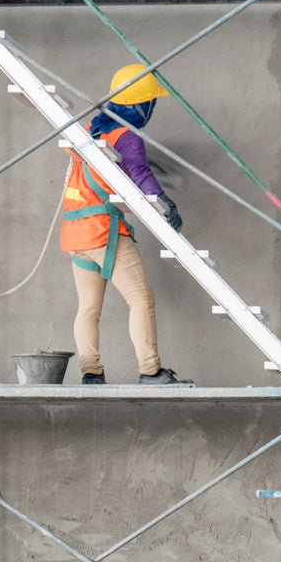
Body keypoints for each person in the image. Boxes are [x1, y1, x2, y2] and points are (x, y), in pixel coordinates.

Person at [60, 63, 190, 386]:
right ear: (140, 105)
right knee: (141, 299)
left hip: (76, 233)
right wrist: (166, 206)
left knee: (88, 308)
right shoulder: (126, 136)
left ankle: (90, 374)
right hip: (104, 232)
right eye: (150, 103)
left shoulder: (93, 128)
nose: (152, 109)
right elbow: (142, 178)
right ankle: (150, 370)